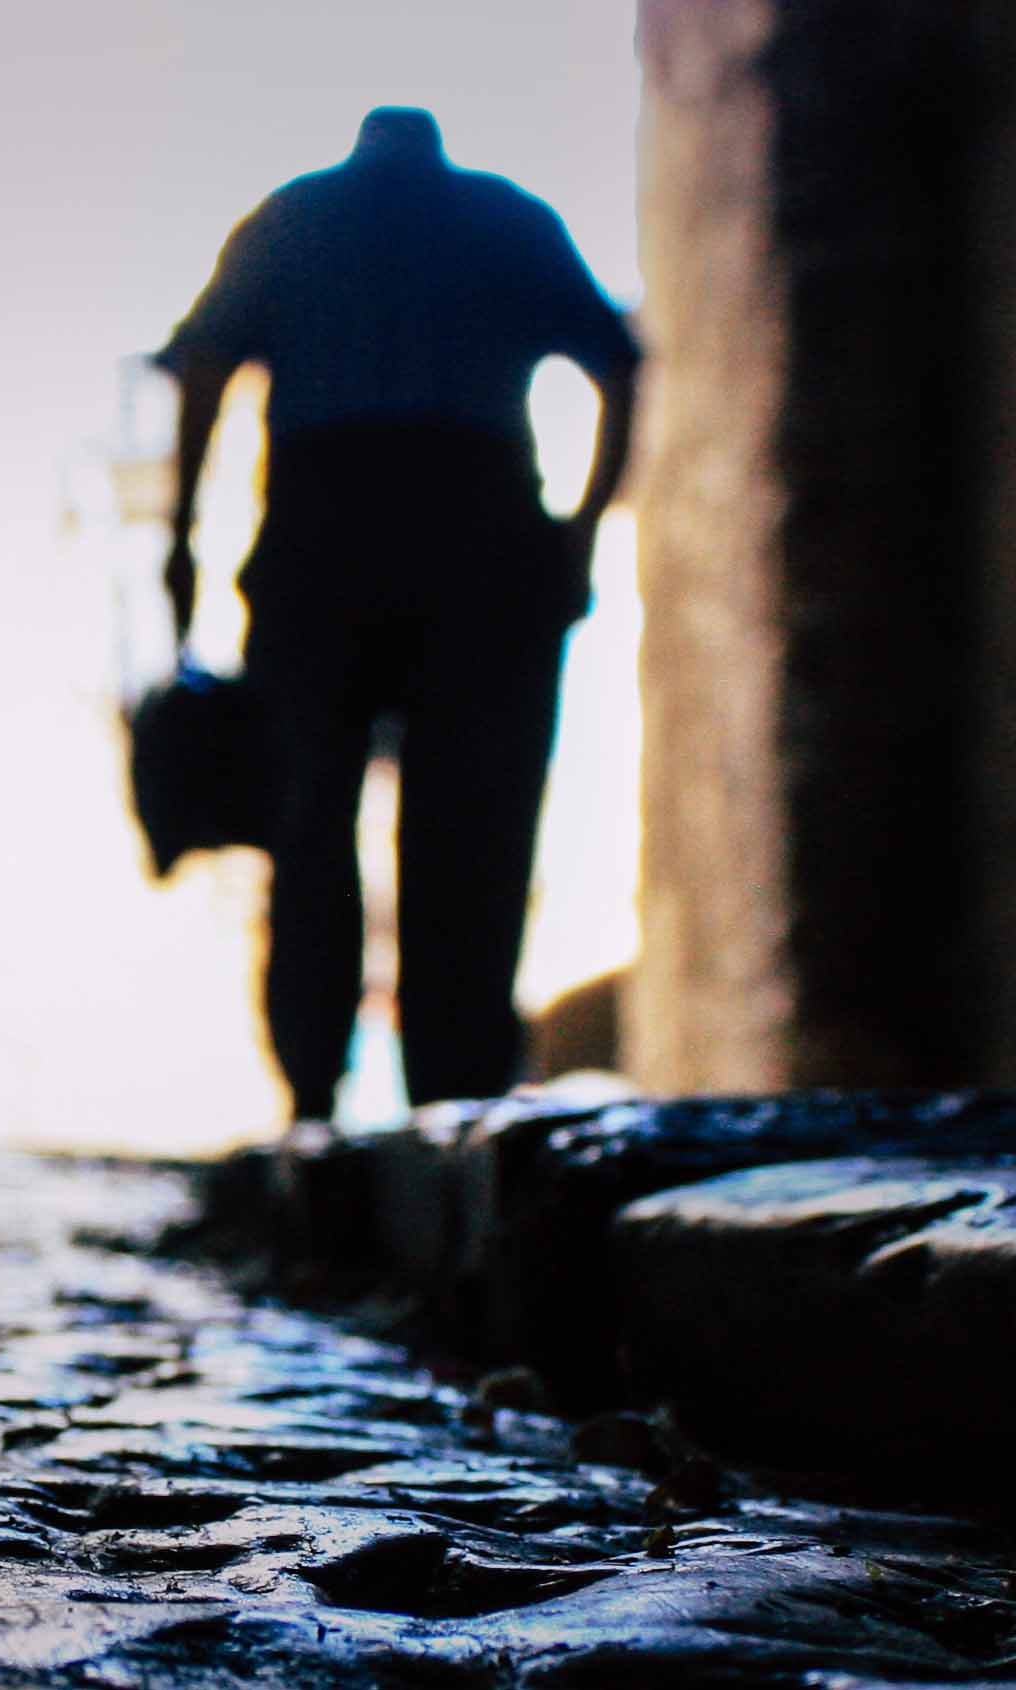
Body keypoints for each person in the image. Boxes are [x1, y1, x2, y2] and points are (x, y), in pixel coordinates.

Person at [156, 106, 640, 1124]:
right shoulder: (510, 220)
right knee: (475, 826)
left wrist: (182, 540)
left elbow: (203, 369)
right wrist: (579, 533)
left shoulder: (290, 220)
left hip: (322, 540)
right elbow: (618, 362)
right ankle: (453, 1092)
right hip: (482, 540)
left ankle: (311, 1094)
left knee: (308, 820)